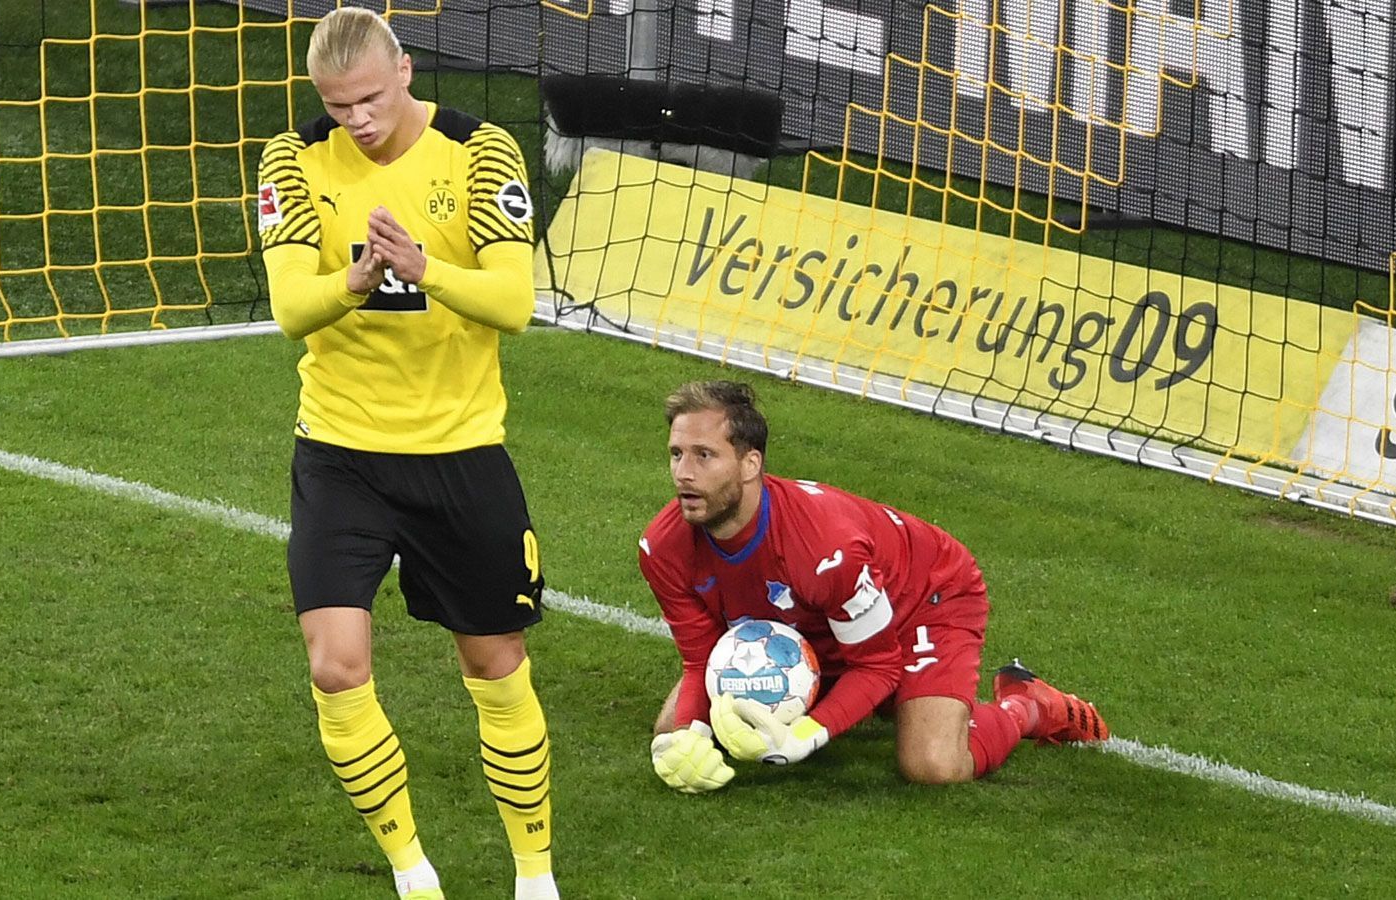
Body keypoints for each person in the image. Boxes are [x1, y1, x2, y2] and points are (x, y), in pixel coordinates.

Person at [255, 9, 555, 899]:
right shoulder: (292, 161)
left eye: (370, 99)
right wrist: (351, 283)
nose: (355, 120)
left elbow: (513, 303)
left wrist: (425, 270)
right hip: (339, 452)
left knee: (494, 664)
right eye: (337, 105)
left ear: (408, 72)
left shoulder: (482, 152)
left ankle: (533, 875)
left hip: (460, 453)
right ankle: (411, 871)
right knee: (334, 666)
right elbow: (287, 310)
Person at [639, 380, 1108, 794]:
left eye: (705, 456)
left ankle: (1024, 706)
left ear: (749, 464)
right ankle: (894, 702)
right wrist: (688, 736)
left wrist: (807, 734)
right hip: (819, 621)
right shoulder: (662, 548)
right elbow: (701, 657)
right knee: (671, 730)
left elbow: (879, 664)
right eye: (676, 454)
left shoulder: (822, 547)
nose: (684, 473)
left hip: (923, 598)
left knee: (932, 763)